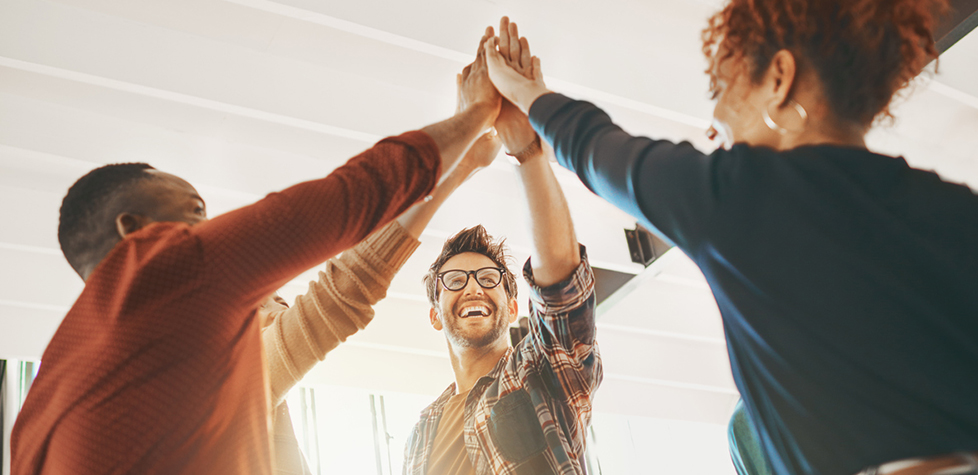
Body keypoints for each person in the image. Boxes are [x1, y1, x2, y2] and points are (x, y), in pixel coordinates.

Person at [482, 5, 978, 475]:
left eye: (725, 88)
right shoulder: (957, 212)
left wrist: (527, 93)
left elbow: (596, 148)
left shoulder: (742, 195)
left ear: (779, 79)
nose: (713, 120)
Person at [10, 48, 503, 474]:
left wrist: (458, 172)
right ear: (132, 229)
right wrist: (474, 115)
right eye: (196, 212)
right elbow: (349, 207)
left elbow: (339, 294)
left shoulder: (42, 409)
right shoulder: (159, 273)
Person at [402, 24, 601, 475]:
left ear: (513, 307)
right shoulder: (421, 432)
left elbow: (563, 291)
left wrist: (525, 149)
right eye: (455, 281)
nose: (473, 288)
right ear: (435, 313)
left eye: (488, 279)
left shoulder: (540, 374)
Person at [258, 131, 501, 474]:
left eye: (279, 300)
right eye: (263, 306)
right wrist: (458, 167)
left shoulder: (265, 419)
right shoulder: (244, 384)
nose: (281, 312)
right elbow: (346, 289)